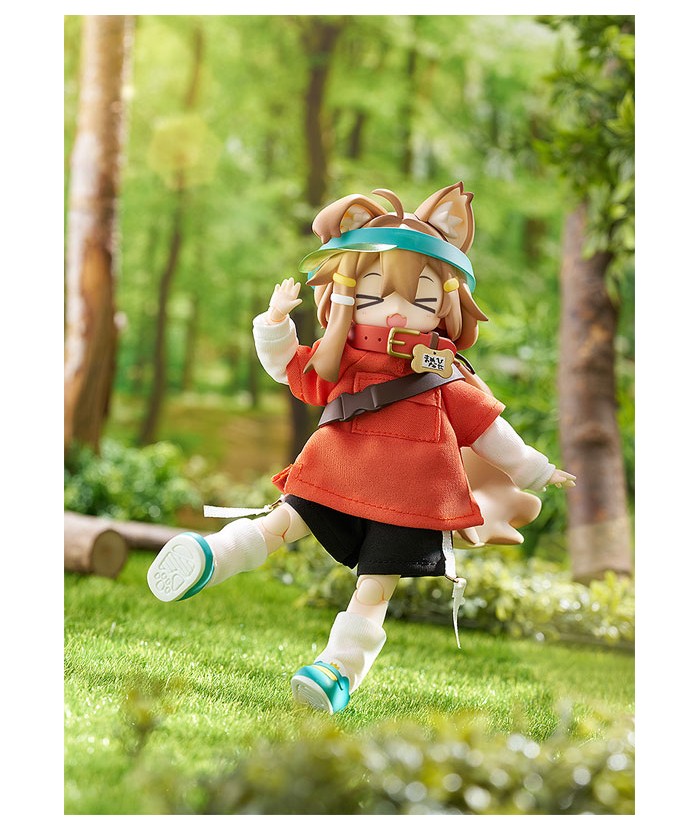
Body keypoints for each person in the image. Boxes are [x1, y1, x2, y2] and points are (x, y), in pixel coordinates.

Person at [147, 183, 575, 713]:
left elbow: (487, 428)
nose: (396, 310)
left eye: (419, 298)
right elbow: (291, 370)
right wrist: (275, 323)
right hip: (338, 469)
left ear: (445, 305)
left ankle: (336, 671)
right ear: (346, 295)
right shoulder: (344, 359)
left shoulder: (443, 374)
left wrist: (535, 469)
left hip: (411, 498)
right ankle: (215, 557)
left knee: (374, 586)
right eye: (375, 294)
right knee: (282, 523)